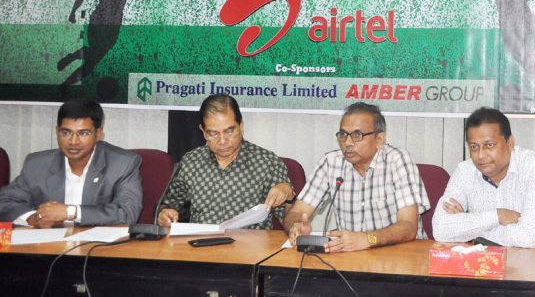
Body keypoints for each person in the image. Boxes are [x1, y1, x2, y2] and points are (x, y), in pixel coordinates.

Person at [285, 102, 429, 252]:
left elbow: (408, 226)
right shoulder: (330, 162)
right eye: (343, 135)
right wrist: (295, 226)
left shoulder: (398, 160)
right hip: (351, 256)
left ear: (379, 139)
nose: (347, 142)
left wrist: (368, 239)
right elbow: (296, 212)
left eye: (357, 135)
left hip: (400, 255)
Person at [157, 94, 293, 229]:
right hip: (199, 246)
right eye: (213, 133)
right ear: (203, 132)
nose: (222, 141)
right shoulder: (191, 162)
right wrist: (165, 213)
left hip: (250, 248)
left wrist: (289, 196)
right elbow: (169, 204)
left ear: (241, 125)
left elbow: (289, 218)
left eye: (229, 131)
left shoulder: (267, 163)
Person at [432, 107, 535, 247]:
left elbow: (528, 238)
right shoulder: (465, 171)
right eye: (474, 147)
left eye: (489, 145)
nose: (481, 155)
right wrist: (498, 215)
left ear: (510, 143)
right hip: (483, 263)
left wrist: (469, 231)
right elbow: (440, 229)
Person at [0, 99, 142, 227]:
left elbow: (128, 213)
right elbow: (5, 202)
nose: (73, 141)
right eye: (66, 133)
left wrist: (70, 212)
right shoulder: (36, 164)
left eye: (83, 133)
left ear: (98, 134)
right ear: (57, 132)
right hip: (47, 250)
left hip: (97, 250)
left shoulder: (123, 164)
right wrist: (32, 218)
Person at [62, 0, 155, 89]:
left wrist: (73, 13)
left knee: (94, 57)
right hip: (109, 24)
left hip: (100, 22)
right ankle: (69, 74)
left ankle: (71, 66)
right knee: (94, 58)